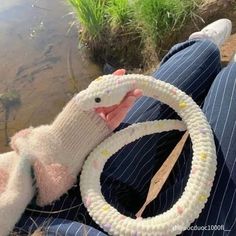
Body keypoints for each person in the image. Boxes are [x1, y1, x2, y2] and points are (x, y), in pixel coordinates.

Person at [14, 18, 235, 236]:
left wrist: (64, 139)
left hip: (55, 194)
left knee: (200, 56)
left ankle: (201, 44)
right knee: (232, 86)